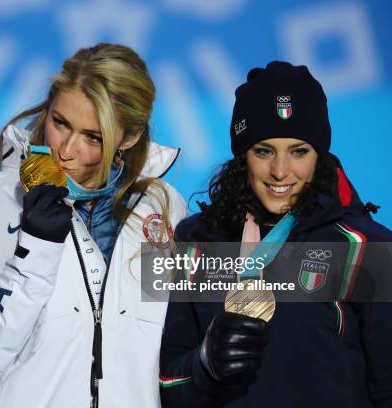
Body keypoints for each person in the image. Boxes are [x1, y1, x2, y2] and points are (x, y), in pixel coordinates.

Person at [0, 43, 188, 407]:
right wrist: (33, 253)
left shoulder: (163, 211)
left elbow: (168, 354)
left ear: (130, 137)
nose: (66, 150)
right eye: (60, 123)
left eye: (93, 137)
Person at [159, 61, 392, 407]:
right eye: (264, 151)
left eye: (299, 151)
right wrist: (203, 366)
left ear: (320, 155)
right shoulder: (192, 241)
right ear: (242, 156)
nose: (280, 171)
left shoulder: (369, 248)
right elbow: (163, 387)